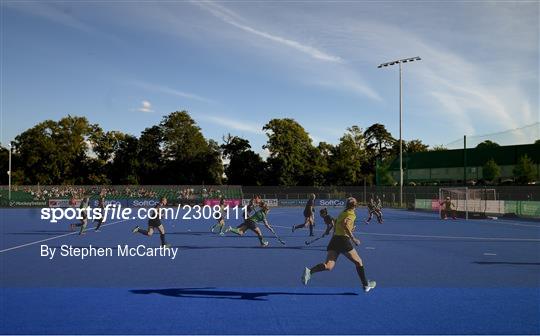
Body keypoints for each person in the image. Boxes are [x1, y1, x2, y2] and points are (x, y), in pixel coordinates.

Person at [301, 197, 376, 293]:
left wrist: (349, 228)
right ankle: (366, 285)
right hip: (343, 241)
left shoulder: (343, 213)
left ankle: (310, 272)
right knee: (359, 262)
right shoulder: (351, 214)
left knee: (329, 266)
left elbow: (337, 223)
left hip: (335, 240)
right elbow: (345, 225)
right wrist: (353, 238)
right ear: (355, 206)